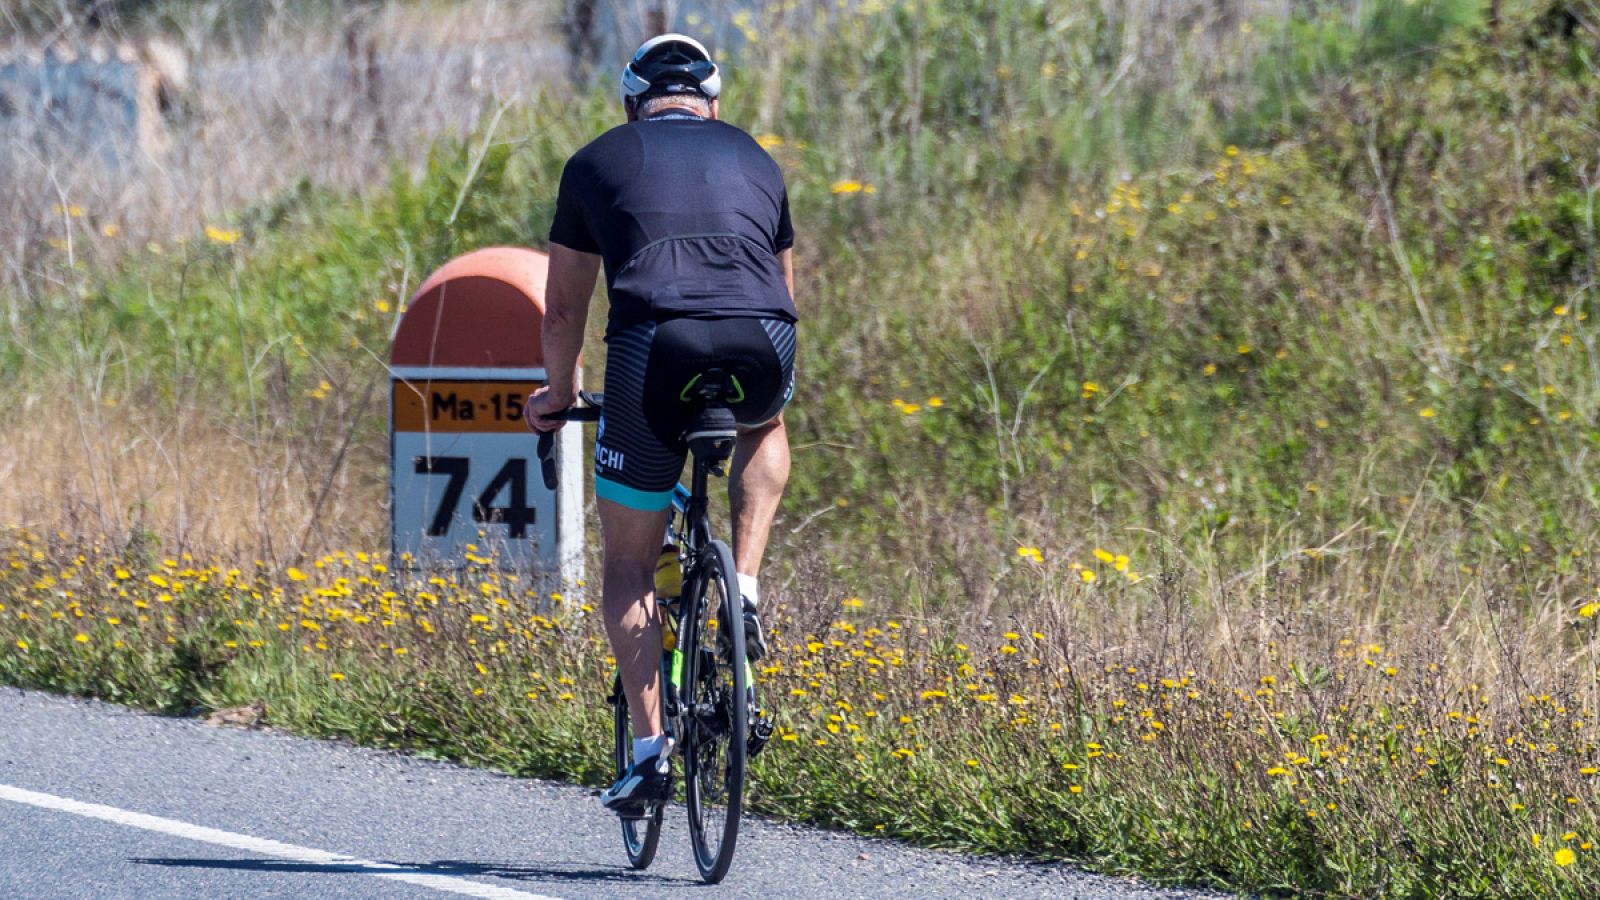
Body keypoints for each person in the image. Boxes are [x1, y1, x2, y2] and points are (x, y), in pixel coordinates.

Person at [524, 33, 797, 814]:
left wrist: (556, 395)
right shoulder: (757, 157)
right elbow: (783, 291)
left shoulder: (593, 162)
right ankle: (745, 586)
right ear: (713, 103)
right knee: (764, 423)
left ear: (629, 105)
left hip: (654, 348)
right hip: (762, 340)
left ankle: (650, 754)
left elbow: (563, 311)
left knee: (628, 567)